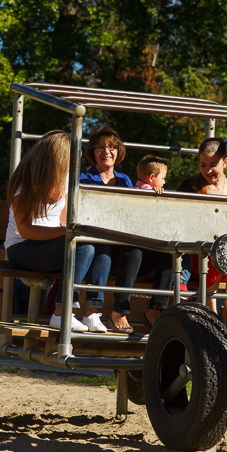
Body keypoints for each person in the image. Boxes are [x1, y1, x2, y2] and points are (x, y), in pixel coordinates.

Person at [4, 131, 105, 332]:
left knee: (100, 245)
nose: (74, 161)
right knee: (84, 247)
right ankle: (61, 313)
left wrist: (72, 231)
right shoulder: (25, 181)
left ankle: (92, 313)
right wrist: (66, 233)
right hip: (22, 249)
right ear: (57, 157)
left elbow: (64, 219)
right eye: (70, 156)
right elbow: (26, 230)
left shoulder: (65, 178)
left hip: (53, 245)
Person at [79, 128, 176, 333]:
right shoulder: (85, 178)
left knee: (170, 254)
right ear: (93, 152)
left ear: (118, 151)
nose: (107, 151)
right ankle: (119, 312)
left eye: (112, 147)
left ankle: (155, 310)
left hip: (124, 248)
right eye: (100, 147)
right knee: (134, 251)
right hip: (103, 249)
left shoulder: (125, 180)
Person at [177, 137, 227, 336]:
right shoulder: (189, 186)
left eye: (213, 165)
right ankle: (212, 317)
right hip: (198, 250)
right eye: (203, 165)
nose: (207, 171)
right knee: (213, 257)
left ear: (225, 162)